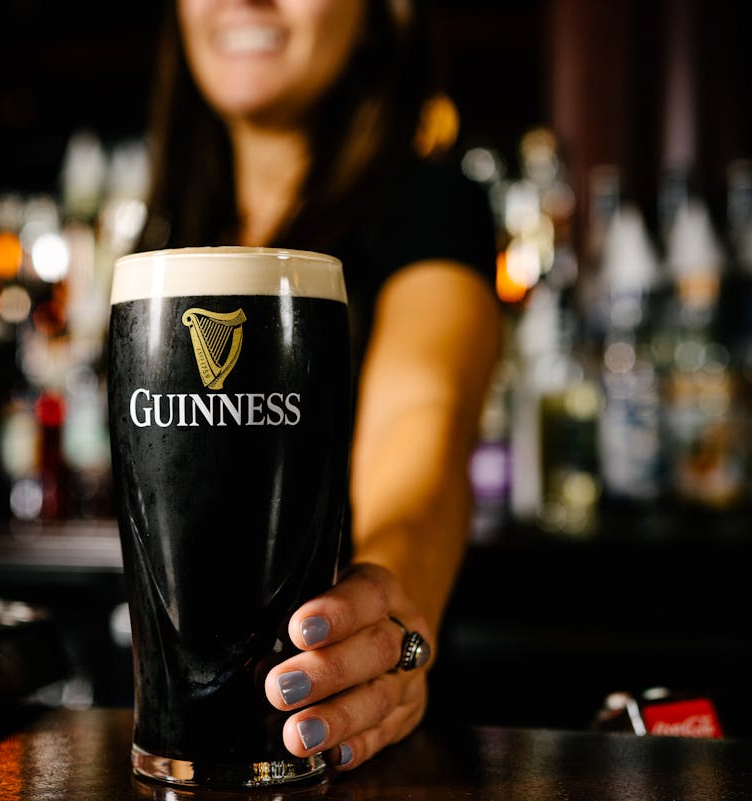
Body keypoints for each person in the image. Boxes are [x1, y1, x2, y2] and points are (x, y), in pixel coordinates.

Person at [138, 0, 501, 772]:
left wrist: (387, 615)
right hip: (162, 737)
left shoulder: (432, 208)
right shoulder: (166, 240)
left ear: (381, 16)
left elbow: (422, 450)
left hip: (338, 747)